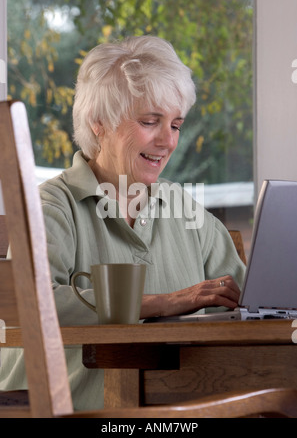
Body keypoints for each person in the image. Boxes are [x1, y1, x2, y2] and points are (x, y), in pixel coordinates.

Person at [0, 35, 245, 410]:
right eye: (150, 121)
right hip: (71, 410)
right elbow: (34, 301)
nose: (167, 140)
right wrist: (163, 303)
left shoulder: (181, 204)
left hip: (177, 407)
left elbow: (250, 298)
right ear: (98, 122)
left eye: (176, 125)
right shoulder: (51, 205)